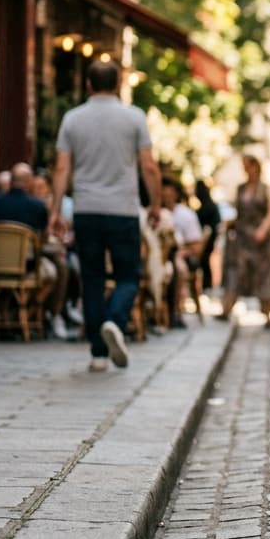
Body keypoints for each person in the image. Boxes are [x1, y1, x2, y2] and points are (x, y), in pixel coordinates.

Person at [50, 60, 162, 373]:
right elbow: (149, 166)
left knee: (92, 280)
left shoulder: (73, 119)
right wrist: (154, 204)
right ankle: (114, 320)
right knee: (128, 275)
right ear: (118, 84)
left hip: (86, 209)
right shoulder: (134, 117)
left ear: (88, 84)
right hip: (123, 209)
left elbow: (62, 167)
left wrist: (56, 211)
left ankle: (98, 354)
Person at [0, 162, 68, 339]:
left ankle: (7, 314)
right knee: (57, 270)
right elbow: (44, 238)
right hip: (27, 267)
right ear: (28, 182)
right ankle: (39, 312)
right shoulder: (36, 206)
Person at [219, 154, 270, 328]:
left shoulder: (266, 188)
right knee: (237, 273)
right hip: (243, 237)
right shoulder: (241, 188)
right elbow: (238, 212)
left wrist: (263, 230)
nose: (245, 169)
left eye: (247, 165)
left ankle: (267, 314)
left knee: (264, 275)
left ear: (255, 166)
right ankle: (227, 308)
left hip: (261, 239)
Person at [161, 177, 203, 328]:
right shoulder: (156, 213)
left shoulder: (186, 215)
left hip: (180, 255)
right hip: (160, 256)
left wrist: (180, 254)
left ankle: (175, 312)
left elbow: (197, 245)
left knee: (177, 268)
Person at [193, 179, 222, 295]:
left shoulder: (208, 206)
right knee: (205, 262)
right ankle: (206, 287)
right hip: (208, 237)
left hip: (208, 238)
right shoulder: (208, 205)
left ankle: (207, 287)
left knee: (205, 261)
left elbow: (209, 225)